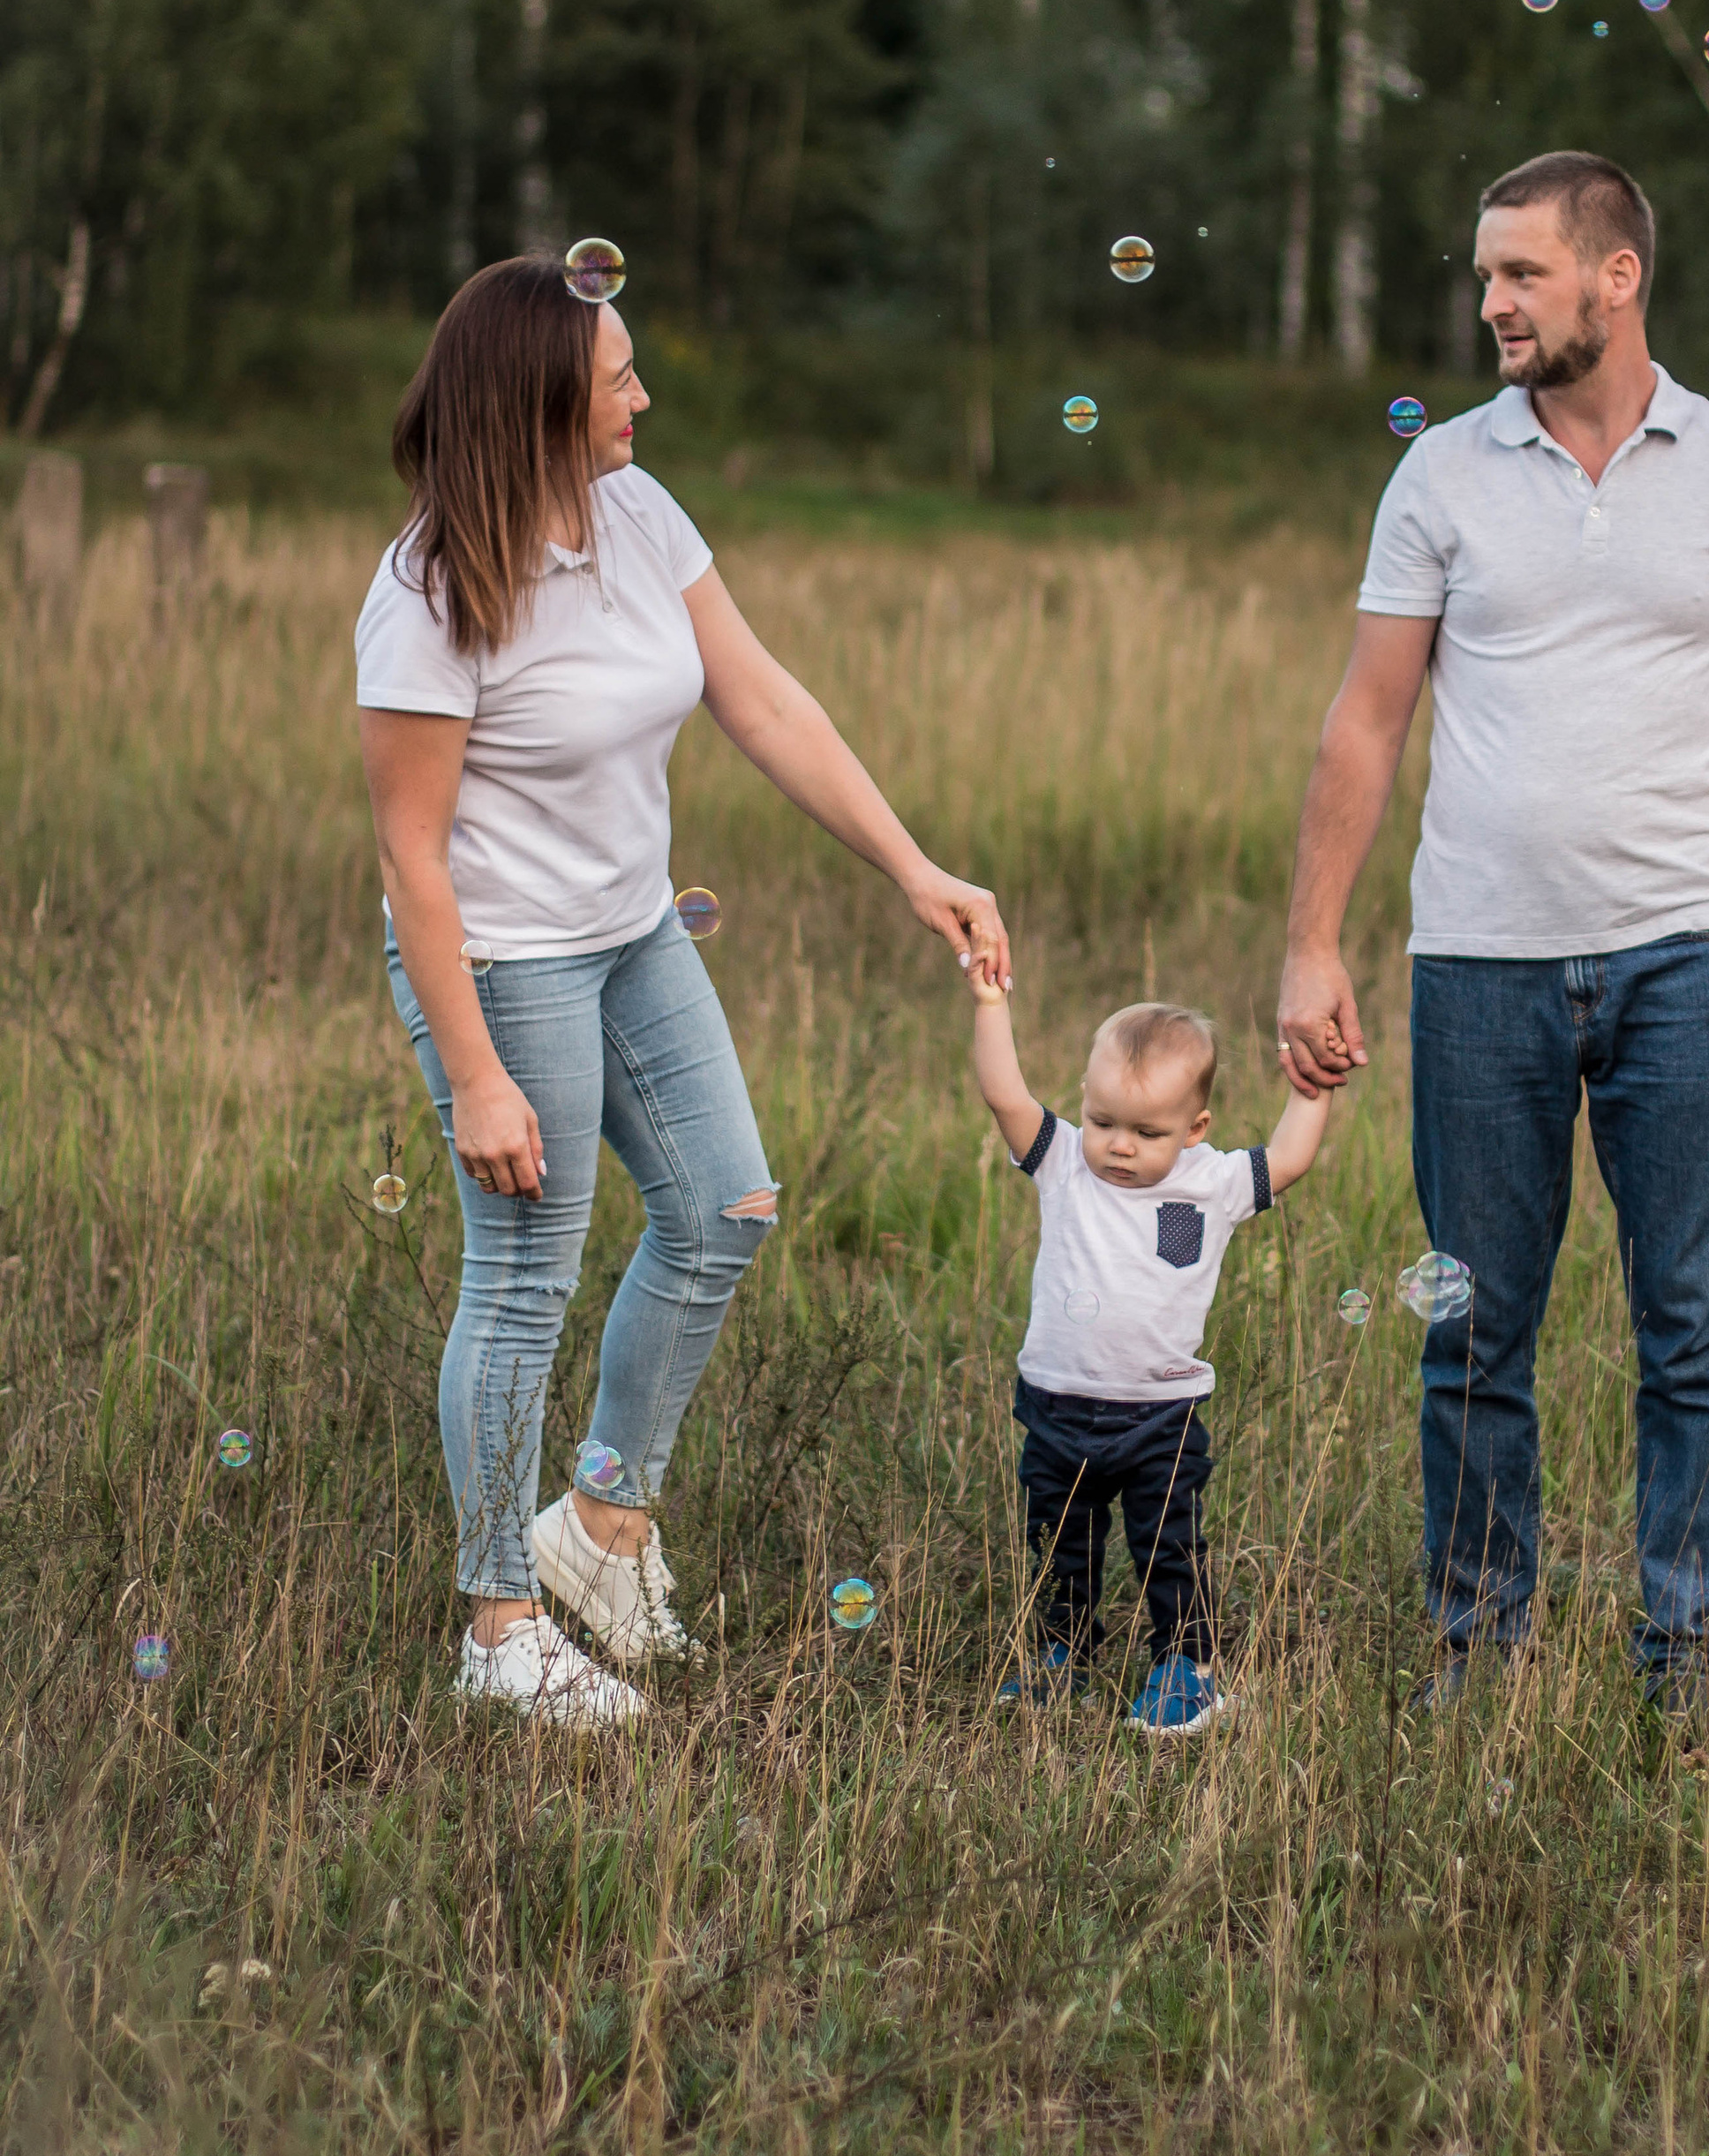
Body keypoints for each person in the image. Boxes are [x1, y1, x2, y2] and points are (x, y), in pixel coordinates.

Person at [356, 252, 1010, 1728]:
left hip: (635, 930)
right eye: (617, 380)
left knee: (724, 1209)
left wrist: (914, 869)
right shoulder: (427, 594)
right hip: (502, 958)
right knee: (524, 1275)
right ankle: (499, 1628)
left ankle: (597, 1533)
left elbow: (762, 699)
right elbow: (411, 857)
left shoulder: (641, 515)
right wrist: (477, 1074)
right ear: (538, 405)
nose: (643, 396)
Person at [1276, 151, 1709, 1714]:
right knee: (1472, 1334)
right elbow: (1366, 720)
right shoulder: (1440, 476)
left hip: (1689, 962)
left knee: (1697, 1335)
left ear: (1617, 275)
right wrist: (1313, 942)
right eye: (1485, 275)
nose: (1493, 302)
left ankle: (1690, 1658)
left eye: (1521, 272)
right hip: (1478, 967)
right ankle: (1477, 1653)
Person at [967, 982, 1331, 1736]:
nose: (1120, 1145)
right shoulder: (1062, 1160)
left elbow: (1290, 1158)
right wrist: (992, 1005)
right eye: (1103, 1121)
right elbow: (1004, 1094)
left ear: (1195, 1129)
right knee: (1057, 1545)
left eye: (1146, 1132)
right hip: (1058, 1406)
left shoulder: (1213, 1182)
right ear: (1084, 1102)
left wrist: (1313, 1086)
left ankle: (1186, 1670)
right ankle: (1062, 1656)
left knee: (1168, 1546)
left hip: (1161, 1416)